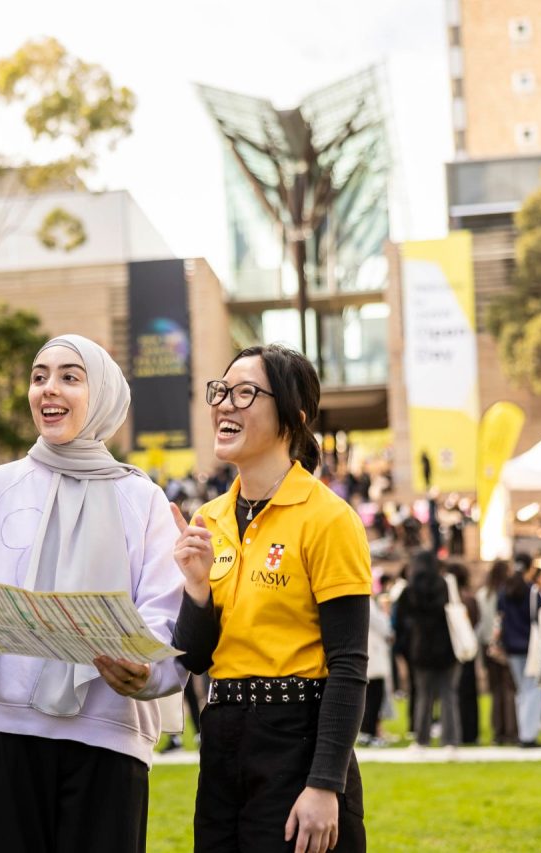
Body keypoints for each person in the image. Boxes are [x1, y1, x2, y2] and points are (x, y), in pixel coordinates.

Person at [0, 334, 184, 853]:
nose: (49, 389)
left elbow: (166, 613)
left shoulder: (143, 500)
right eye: (39, 376)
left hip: (107, 731)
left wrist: (146, 670)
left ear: (103, 393)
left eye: (69, 376)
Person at [172, 344, 371, 852]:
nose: (225, 405)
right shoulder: (208, 519)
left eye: (246, 393)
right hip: (222, 742)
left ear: (293, 417)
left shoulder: (329, 518)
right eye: (221, 391)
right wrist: (196, 589)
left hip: (298, 741)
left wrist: (325, 784)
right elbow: (195, 657)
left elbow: (349, 663)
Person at [395, 551, 460, 750]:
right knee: (448, 694)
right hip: (446, 647)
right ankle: (449, 740)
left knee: (424, 695)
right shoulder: (444, 584)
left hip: (421, 648)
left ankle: (422, 738)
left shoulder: (410, 589)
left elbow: (401, 620)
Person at [500, 556, 541, 748]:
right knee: (532, 689)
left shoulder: (504, 591)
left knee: (521, 690)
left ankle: (523, 731)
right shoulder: (532, 592)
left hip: (511, 646)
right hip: (530, 646)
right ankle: (528, 735)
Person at [476, 559, 518, 745]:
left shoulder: (483, 594)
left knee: (496, 690)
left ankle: (498, 731)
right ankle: (511, 730)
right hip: (505, 645)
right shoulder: (509, 593)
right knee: (510, 688)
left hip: (487, 646)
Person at [448, 562, 480, 745]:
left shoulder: (455, 600)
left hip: (457, 649)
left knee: (458, 691)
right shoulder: (469, 598)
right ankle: (471, 732)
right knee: (469, 692)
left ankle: (460, 731)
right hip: (468, 648)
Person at [360, 574, 394, 746]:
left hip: (371, 656)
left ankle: (369, 731)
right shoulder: (369, 604)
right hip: (374, 656)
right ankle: (370, 732)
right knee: (374, 697)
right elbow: (384, 627)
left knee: (371, 697)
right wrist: (387, 615)